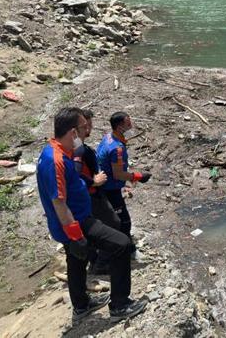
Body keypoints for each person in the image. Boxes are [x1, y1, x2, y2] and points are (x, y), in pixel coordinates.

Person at [36, 107, 147, 322]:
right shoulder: (56, 160)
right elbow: (59, 202)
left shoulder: (57, 151)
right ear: (72, 133)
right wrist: (76, 236)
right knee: (121, 244)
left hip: (73, 220)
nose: (87, 131)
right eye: (83, 128)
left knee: (76, 261)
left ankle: (81, 305)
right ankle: (120, 305)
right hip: (75, 222)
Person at [73, 109, 121, 275]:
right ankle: (101, 263)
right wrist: (93, 181)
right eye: (87, 126)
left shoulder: (79, 146)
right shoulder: (77, 150)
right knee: (113, 223)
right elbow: (75, 173)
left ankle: (94, 259)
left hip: (91, 192)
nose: (90, 129)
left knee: (94, 227)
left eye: (90, 125)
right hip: (91, 194)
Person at [96, 111, 151, 256]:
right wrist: (138, 176)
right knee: (123, 221)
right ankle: (124, 250)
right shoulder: (117, 149)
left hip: (105, 183)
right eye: (128, 121)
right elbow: (118, 173)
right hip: (110, 188)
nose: (131, 123)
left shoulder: (108, 137)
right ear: (120, 126)